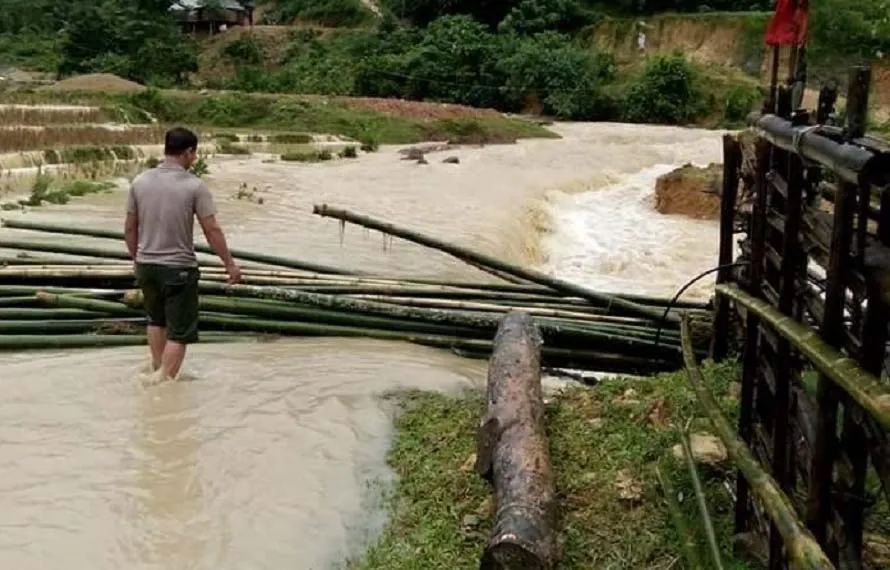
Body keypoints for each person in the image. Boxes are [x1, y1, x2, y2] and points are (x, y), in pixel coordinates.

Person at [124, 127, 242, 380]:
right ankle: (165, 382)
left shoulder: (140, 182)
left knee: (156, 321)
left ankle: (157, 370)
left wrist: (137, 259)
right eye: (194, 154)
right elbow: (212, 228)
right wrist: (229, 264)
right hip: (178, 268)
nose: (194, 159)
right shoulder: (194, 186)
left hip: (146, 264)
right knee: (179, 332)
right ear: (188, 152)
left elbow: (130, 227)